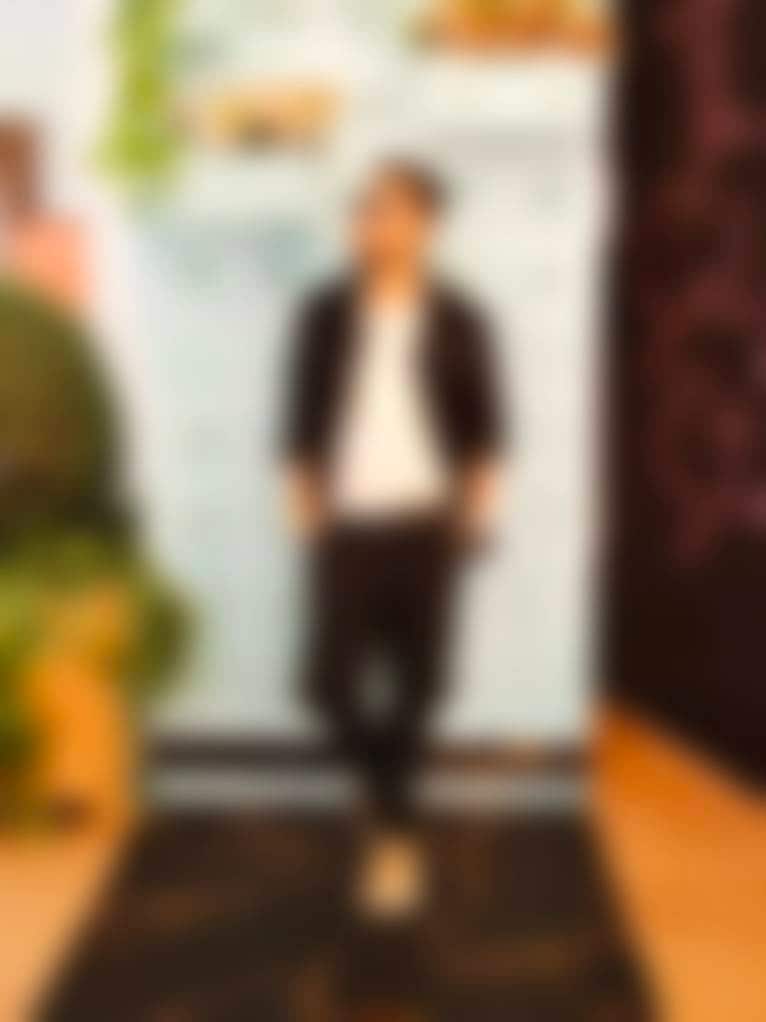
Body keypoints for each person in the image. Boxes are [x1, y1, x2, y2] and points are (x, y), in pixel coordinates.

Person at [281, 158, 505, 918]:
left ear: (426, 224)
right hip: (347, 529)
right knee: (326, 689)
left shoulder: (462, 318)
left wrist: (473, 520)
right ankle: (393, 809)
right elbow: (299, 424)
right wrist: (307, 514)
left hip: (426, 528)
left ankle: (392, 841)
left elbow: (484, 432)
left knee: (421, 689)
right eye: (364, 209)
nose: (372, 224)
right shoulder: (323, 313)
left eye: (389, 210)